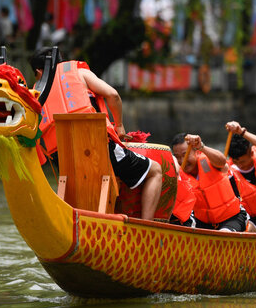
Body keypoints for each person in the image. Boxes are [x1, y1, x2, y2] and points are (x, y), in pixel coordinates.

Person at [29, 47, 163, 221]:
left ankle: (75, 221)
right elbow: (113, 95)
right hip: (96, 148)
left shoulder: (36, 94)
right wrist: (120, 126)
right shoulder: (78, 72)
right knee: (156, 171)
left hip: (61, 157)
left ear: (39, 71)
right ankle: (147, 227)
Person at [173, 133, 248, 232]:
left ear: (196, 152)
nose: (182, 160)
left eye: (185, 154)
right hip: (203, 223)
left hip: (232, 218)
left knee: (223, 234)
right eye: (177, 157)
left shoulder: (210, 161)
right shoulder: (179, 175)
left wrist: (201, 146)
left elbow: (222, 161)